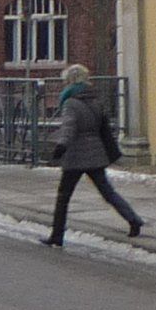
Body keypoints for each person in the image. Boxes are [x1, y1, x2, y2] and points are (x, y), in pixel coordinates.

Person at [44, 64, 143, 245]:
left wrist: (60, 148)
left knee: (63, 196)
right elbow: (102, 127)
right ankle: (133, 219)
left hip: (76, 156)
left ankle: (57, 236)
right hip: (96, 153)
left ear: (70, 81)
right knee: (107, 192)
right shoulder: (95, 100)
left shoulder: (70, 103)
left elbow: (69, 128)